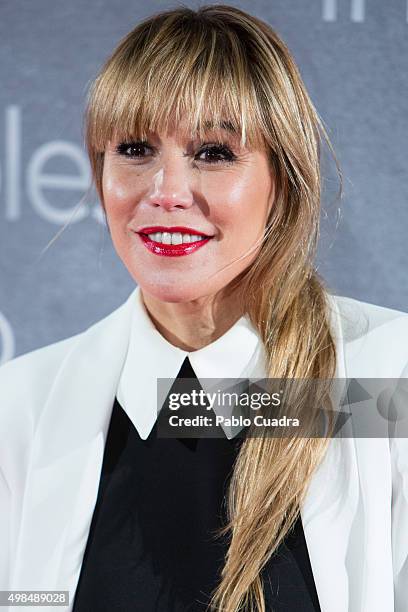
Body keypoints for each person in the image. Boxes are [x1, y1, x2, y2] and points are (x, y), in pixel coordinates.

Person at [1, 5, 407, 612]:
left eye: (214, 153)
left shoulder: (384, 377)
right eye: (135, 148)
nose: (165, 192)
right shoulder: (23, 407)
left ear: (284, 180)